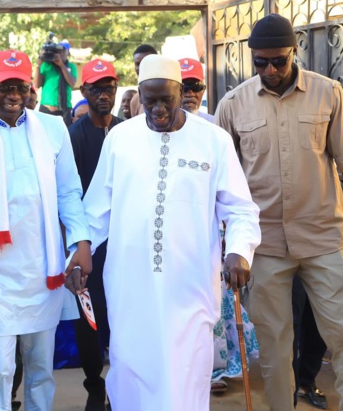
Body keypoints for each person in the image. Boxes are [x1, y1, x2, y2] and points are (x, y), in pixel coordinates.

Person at [76, 54, 261, 410]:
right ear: (138, 97)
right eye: (150, 101)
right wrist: (79, 253)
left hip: (189, 287)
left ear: (182, 93)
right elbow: (95, 210)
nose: (158, 109)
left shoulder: (213, 141)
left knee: (187, 375)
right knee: (131, 369)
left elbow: (240, 209)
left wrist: (239, 250)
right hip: (130, 286)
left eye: (167, 99)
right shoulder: (120, 138)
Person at [215, 13, 343, 411]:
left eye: (278, 61)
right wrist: (226, 245)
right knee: (273, 345)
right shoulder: (232, 105)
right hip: (264, 244)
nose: (270, 70)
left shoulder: (329, 94)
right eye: (260, 63)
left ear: (294, 52)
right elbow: (219, 184)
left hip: (323, 238)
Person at [0, 50, 92, 411]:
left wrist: (81, 242)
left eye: (21, 87)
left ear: (31, 87)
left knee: (41, 369)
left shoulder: (53, 128)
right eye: (5, 87)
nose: (14, 95)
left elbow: (69, 192)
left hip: (42, 271)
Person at [68, 59, 122, 410]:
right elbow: (69, 194)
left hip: (123, 242)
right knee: (89, 319)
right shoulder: (74, 136)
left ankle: (120, 386)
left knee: (122, 316)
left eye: (109, 88)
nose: (104, 95)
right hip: (89, 244)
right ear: (84, 92)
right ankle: (93, 386)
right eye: (96, 89)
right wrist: (76, 244)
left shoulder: (128, 131)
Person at [292, 275, 328, 409]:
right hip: (285, 257)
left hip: (323, 256)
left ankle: (306, 379)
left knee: (320, 319)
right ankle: (288, 392)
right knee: (290, 325)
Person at [34, 40, 77, 126]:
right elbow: (37, 84)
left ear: (68, 53)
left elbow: (72, 83)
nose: (60, 53)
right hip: (46, 109)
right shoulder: (46, 65)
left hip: (64, 109)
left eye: (63, 51)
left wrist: (61, 65)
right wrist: (38, 65)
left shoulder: (71, 66)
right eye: (58, 51)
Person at [128, 44, 158, 118]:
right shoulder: (135, 100)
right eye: (137, 64)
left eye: (145, 63)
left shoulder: (171, 92)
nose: (141, 67)